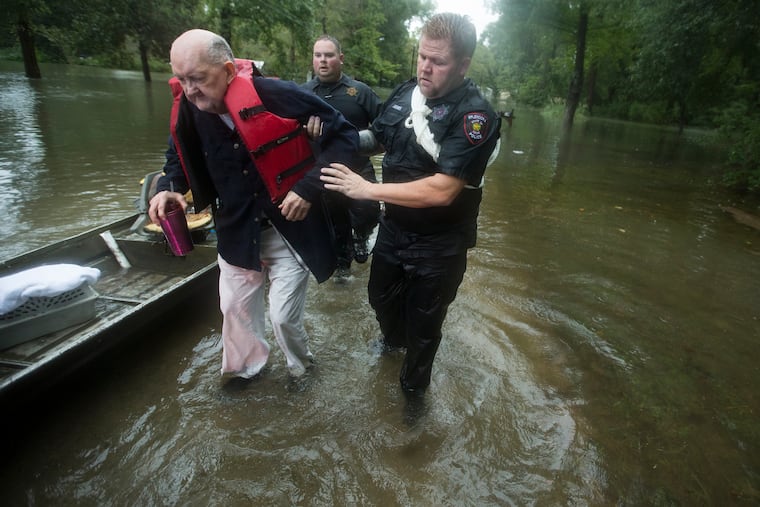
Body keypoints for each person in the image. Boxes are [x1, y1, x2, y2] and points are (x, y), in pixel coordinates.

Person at [149, 29, 358, 379]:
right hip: (235, 229)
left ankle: (302, 370)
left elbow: (346, 137)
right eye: (181, 79)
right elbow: (177, 158)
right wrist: (168, 188)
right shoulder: (188, 108)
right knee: (234, 309)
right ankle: (247, 373)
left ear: (229, 71)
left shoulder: (276, 94)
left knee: (282, 317)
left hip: (289, 230)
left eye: (198, 78)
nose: (189, 90)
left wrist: (307, 188)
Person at [320, 13, 501, 394]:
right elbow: (380, 137)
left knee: (423, 330)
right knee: (379, 298)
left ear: (463, 65)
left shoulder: (476, 116)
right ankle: (392, 343)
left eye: (438, 61)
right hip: (395, 231)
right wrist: (338, 136)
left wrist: (366, 190)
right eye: (422, 57)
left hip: (440, 244)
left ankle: (412, 407)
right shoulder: (407, 93)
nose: (425, 67)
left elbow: (442, 190)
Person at [302, 35, 382, 282]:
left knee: (370, 210)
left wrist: (362, 140)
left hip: (358, 167)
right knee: (335, 224)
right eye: (318, 56)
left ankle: (362, 234)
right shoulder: (303, 93)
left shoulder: (360, 91)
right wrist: (304, 131)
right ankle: (342, 268)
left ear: (341, 58)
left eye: (329, 55)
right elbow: (285, 130)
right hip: (324, 171)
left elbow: (385, 126)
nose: (323, 61)